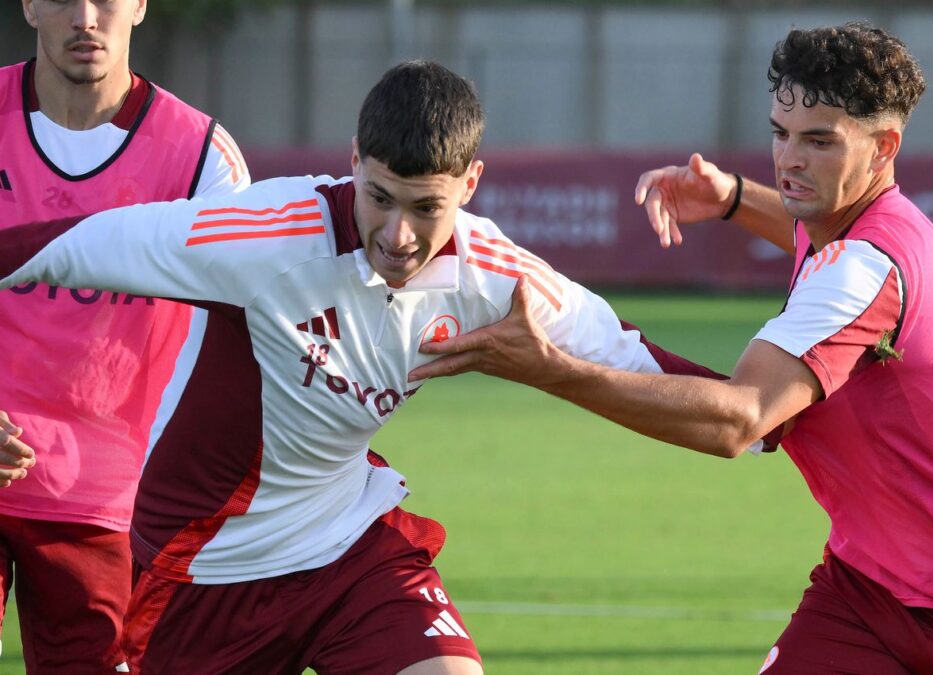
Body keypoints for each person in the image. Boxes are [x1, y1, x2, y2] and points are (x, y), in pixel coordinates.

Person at [0, 59, 742, 674]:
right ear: (354, 159)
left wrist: (781, 408)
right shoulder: (260, 236)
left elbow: (652, 367)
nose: (397, 235)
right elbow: (52, 245)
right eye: (379, 198)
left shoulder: (495, 279)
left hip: (345, 545)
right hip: (202, 571)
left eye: (426, 208)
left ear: (471, 185)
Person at [411, 22, 933, 673]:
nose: (791, 158)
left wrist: (550, 370)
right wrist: (731, 198)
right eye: (780, 134)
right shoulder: (854, 221)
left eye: (819, 141)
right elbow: (804, 224)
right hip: (871, 584)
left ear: (883, 147)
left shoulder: (862, 267)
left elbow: (738, 419)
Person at [0, 0, 250, 671]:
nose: (86, 16)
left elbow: (241, 339)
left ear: (139, 4)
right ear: (28, 5)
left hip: (110, 501)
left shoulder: (201, 158)